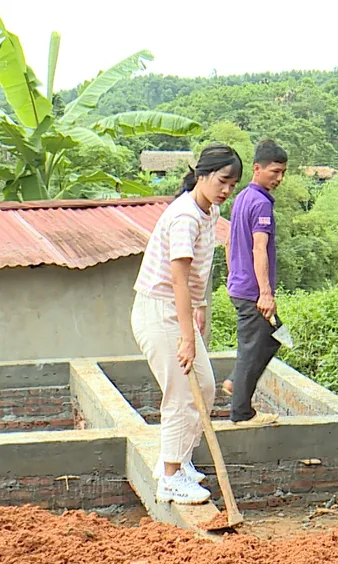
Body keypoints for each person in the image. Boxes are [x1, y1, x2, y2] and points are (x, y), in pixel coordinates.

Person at [131, 144, 242, 505]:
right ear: (203, 175)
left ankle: (180, 460)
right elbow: (178, 279)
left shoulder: (209, 210)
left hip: (175, 309)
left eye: (232, 184)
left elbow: (200, 269)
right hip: (159, 310)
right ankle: (170, 477)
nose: (226, 190)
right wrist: (186, 336)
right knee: (180, 393)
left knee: (205, 387)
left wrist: (202, 305)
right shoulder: (185, 217)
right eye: (223, 181)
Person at [220, 140, 288, 427]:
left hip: (240, 286)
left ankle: (235, 382)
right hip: (252, 292)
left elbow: (228, 241)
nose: (279, 178)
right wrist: (265, 293)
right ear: (257, 168)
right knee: (253, 346)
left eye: (283, 172)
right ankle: (242, 412)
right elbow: (259, 249)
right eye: (274, 171)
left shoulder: (243, 198)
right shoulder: (260, 203)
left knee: (274, 337)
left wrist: (231, 274)